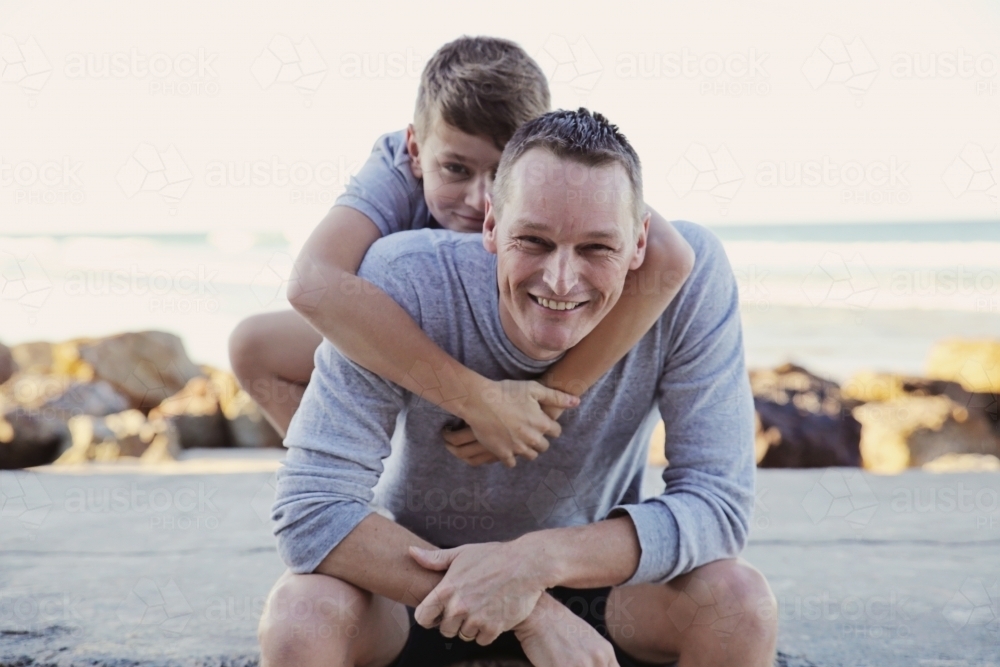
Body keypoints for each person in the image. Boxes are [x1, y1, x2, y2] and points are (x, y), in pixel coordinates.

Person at [258, 109, 778, 667]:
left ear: (639, 242)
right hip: (414, 591)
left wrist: (534, 562)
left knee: (739, 605)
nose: (560, 279)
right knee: (300, 616)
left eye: (597, 249)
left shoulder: (691, 282)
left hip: (600, 593)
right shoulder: (403, 278)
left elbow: (718, 507)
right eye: (532, 240)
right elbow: (311, 508)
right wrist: (528, 607)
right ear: (490, 226)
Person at [228, 36, 695, 468]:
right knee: (252, 344)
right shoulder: (396, 167)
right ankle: (361, 481)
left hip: (523, 318)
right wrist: (476, 400)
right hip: (425, 326)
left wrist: (542, 402)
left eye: (500, 173)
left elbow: (672, 256)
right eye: (455, 169)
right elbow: (313, 282)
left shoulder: (558, 175)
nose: (481, 199)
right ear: (415, 148)